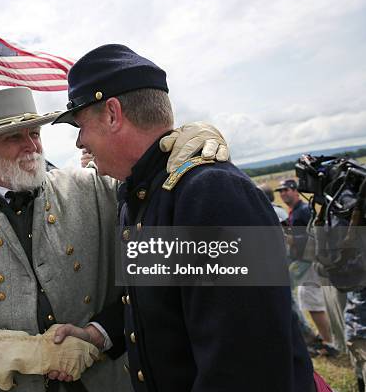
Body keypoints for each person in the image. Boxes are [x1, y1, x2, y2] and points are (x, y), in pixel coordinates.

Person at [51, 44, 317, 391]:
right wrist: (98, 335)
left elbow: (244, 368)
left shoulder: (210, 194)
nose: (78, 142)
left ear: (113, 114)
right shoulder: (143, 196)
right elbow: (158, 306)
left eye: (80, 124)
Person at [0, 86, 229, 391]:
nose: (31, 146)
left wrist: (185, 156)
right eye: (14, 137)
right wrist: (36, 354)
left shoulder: (96, 189)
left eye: (34, 134)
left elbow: (161, 208)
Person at [277, 179, 338, 356]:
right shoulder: (295, 211)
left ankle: (329, 343)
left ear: (296, 191)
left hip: (310, 261)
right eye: (280, 191)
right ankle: (328, 339)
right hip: (304, 261)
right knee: (310, 299)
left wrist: (287, 237)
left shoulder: (303, 211)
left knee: (311, 300)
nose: (283, 193)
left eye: (286, 189)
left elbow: (313, 236)